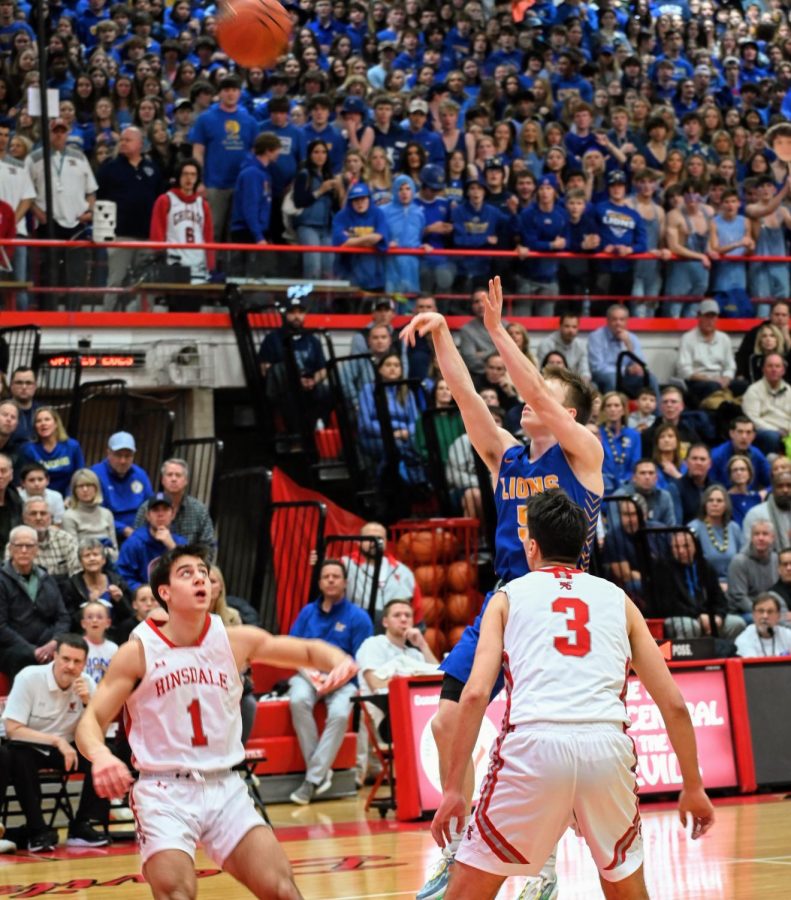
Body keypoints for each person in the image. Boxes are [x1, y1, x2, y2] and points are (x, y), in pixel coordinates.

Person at [401, 276, 603, 900]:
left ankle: (538, 862)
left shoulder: (583, 455)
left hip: (561, 604)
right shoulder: (509, 458)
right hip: (505, 600)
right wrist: (443, 338)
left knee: (537, 744)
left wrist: (495, 332)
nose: (524, 399)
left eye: (540, 396)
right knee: (444, 726)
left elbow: (535, 386)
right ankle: (461, 846)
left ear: (565, 414)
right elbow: (466, 398)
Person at [431, 490, 714, 899]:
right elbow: (673, 704)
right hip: (606, 746)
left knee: (468, 892)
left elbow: (474, 696)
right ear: (584, 548)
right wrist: (693, 786)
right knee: (625, 887)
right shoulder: (619, 600)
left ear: (531, 546)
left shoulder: (506, 598)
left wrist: (455, 789)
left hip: (533, 746)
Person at [75, 544, 359, 898]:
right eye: (186, 573)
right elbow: (91, 721)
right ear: (164, 592)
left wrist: (339, 659)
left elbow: (305, 650)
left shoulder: (234, 640)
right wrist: (101, 756)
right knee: (177, 893)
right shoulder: (139, 651)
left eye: (203, 572)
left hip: (226, 786)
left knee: (283, 890)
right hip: (164, 790)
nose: (200, 578)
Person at [3, 633, 110, 851]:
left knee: (104, 754)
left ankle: (81, 826)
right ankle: (37, 830)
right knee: (19, 756)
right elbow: (13, 730)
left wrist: (89, 704)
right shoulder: (29, 677)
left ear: (84, 663)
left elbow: (99, 733)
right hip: (29, 744)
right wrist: (57, 741)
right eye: (65, 659)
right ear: (54, 657)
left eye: (77, 661)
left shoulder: (87, 684)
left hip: (67, 748)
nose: (70, 666)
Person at [287, 559, 372, 805]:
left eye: (336, 576)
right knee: (298, 699)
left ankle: (312, 779)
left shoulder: (359, 617)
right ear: (320, 583)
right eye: (326, 576)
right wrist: (311, 674)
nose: (331, 580)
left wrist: (335, 679)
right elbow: (292, 648)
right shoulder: (307, 612)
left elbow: (359, 659)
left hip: (344, 679)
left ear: (345, 583)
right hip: (309, 675)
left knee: (339, 714)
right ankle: (319, 773)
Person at [28, 118, 97, 307]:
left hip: (76, 223)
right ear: (48, 133)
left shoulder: (80, 157)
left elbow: (91, 190)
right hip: (49, 224)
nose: (59, 134)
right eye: (55, 131)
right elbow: (26, 192)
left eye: (62, 131)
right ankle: (47, 315)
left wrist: (89, 211)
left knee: (75, 274)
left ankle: (73, 314)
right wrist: (39, 214)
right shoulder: (34, 158)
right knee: (48, 274)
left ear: (68, 133)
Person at [96, 125, 164, 306]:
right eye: (122, 140)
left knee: (145, 283)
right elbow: (98, 198)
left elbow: (160, 200)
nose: (123, 143)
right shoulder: (109, 168)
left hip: (147, 236)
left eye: (128, 140)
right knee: (115, 281)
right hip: (119, 235)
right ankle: (107, 321)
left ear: (140, 144)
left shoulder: (152, 168)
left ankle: (144, 321)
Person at [188, 73, 257, 240]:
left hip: (240, 185)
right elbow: (198, 152)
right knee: (212, 230)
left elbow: (255, 154)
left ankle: (230, 267)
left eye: (234, 90)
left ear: (239, 93)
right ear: (219, 94)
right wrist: (199, 182)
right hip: (213, 185)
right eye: (226, 90)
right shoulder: (205, 119)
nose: (231, 94)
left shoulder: (250, 121)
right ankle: (210, 266)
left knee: (234, 233)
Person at [0, 525, 71, 681]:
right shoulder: (2, 580)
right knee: (21, 657)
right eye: (19, 545)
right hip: (13, 648)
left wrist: (54, 642)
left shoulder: (47, 578)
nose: (24, 550)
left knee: (70, 650)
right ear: (10, 549)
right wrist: (32, 650)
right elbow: (1, 626)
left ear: (36, 549)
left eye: (29, 546)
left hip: (48, 643)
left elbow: (63, 617)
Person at [657, 530, 745, 642]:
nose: (681, 551)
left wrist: (718, 616)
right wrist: (698, 616)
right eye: (676, 547)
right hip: (682, 617)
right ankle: (689, 659)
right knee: (690, 627)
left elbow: (719, 598)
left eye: (686, 546)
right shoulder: (664, 569)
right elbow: (669, 605)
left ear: (695, 546)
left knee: (737, 623)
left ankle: (728, 655)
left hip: (709, 615)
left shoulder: (705, 566)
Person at [149, 157, 215, 283]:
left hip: (198, 265)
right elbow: (157, 233)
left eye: (193, 174)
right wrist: (159, 258)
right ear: (178, 176)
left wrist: (210, 265)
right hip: (174, 263)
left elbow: (208, 236)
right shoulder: (165, 200)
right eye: (185, 174)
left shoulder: (203, 204)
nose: (189, 178)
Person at [342, 521, 419, 622]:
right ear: (359, 542)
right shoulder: (344, 565)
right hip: (356, 630)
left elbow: (417, 610)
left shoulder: (404, 571)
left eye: (379, 539)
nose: (374, 542)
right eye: (369, 538)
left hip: (393, 634)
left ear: (386, 542)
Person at [133, 458, 216, 550]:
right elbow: (136, 540)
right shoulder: (147, 507)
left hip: (189, 562)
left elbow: (209, 546)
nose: (173, 479)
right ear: (162, 480)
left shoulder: (199, 510)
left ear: (186, 481)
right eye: (169, 475)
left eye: (178, 475)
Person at [229, 132, 281, 276]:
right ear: (268, 150)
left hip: (255, 231)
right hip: (247, 233)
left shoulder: (263, 173)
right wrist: (258, 237)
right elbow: (250, 208)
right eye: (277, 149)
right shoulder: (252, 174)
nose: (279, 153)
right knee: (249, 276)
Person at [677, 299, 744, 407]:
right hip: (699, 381)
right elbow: (685, 371)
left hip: (720, 379)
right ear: (699, 316)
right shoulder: (687, 338)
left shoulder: (724, 338)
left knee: (743, 386)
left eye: (713, 317)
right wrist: (710, 379)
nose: (710, 321)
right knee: (713, 387)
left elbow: (730, 366)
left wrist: (726, 378)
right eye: (707, 316)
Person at [61, 538, 133, 636]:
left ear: (103, 560)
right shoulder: (71, 585)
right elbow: (69, 621)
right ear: (80, 562)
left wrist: (121, 601)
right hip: (83, 636)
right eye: (87, 555)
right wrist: (88, 606)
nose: (92, 558)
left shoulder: (117, 581)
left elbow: (130, 616)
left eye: (96, 554)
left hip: (116, 635)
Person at [91, 431, 154, 543]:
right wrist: (124, 530)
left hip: (139, 533)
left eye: (128, 456)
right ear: (108, 453)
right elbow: (95, 512)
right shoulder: (95, 474)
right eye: (118, 455)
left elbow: (150, 505)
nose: (123, 461)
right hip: (106, 534)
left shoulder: (140, 474)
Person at [117, 492, 188, 591]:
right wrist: (145, 591)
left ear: (173, 514)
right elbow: (123, 577)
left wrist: (172, 547)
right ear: (148, 515)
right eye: (155, 510)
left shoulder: (181, 543)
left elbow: (189, 573)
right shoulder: (133, 543)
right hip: (144, 600)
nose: (160, 514)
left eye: (165, 509)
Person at [587, 304, 658, 398]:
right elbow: (597, 367)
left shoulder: (631, 338)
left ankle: (657, 412)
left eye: (622, 319)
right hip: (604, 377)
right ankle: (611, 409)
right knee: (613, 378)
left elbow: (640, 364)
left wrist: (628, 344)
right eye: (614, 319)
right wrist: (625, 370)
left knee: (650, 378)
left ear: (627, 321)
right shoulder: (596, 337)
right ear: (607, 321)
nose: (618, 323)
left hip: (626, 378)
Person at [332, 182, 390, 292]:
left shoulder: (378, 214)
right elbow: (341, 243)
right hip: (347, 274)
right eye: (356, 200)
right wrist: (369, 239)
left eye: (363, 199)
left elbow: (379, 237)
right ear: (350, 201)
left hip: (375, 277)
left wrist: (352, 238)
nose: (360, 203)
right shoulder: (341, 216)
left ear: (369, 199)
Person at [19, 407, 85, 498]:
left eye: (47, 419)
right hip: (38, 496)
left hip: (69, 496)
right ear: (35, 427)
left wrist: (71, 496)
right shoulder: (28, 449)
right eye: (39, 421)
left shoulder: (72, 446)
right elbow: (24, 478)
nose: (43, 423)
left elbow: (80, 475)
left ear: (56, 424)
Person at [688, 486, 744, 590]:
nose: (715, 504)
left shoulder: (734, 527)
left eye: (719, 501)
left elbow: (742, 561)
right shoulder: (694, 528)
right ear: (705, 504)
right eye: (710, 500)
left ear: (726, 505)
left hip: (734, 585)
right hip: (705, 586)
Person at [727, 520, 778, 622]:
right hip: (743, 612)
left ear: (772, 538)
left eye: (765, 534)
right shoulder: (739, 561)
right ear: (751, 537)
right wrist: (762, 613)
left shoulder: (776, 559)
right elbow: (739, 597)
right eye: (756, 534)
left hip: (770, 609)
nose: (760, 538)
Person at [61, 468, 119, 559]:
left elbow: (115, 552)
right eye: (80, 486)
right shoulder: (69, 516)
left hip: (107, 564)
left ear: (96, 488)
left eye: (89, 485)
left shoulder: (107, 514)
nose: (85, 489)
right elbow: (72, 554)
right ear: (74, 490)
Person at [18, 496, 80, 578]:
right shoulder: (16, 543)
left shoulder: (65, 539)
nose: (38, 518)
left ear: (51, 517)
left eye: (43, 513)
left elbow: (77, 572)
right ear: (24, 518)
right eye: (33, 514)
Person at [742, 353, 791, 456]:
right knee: (771, 436)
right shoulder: (753, 391)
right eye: (770, 366)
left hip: (787, 431)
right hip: (765, 432)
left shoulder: (789, 390)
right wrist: (776, 431)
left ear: (783, 371)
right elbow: (752, 419)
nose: (774, 369)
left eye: (777, 366)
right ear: (763, 369)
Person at [710, 416, 771, 492]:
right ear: (731, 433)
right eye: (740, 432)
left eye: (748, 432)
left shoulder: (756, 454)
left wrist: (765, 492)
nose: (744, 436)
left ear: (753, 436)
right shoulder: (716, 456)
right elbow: (708, 487)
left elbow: (774, 482)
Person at [599, 391, 642, 494]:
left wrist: (624, 483)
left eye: (616, 405)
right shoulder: (597, 433)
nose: (613, 409)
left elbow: (635, 464)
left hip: (627, 487)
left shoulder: (633, 435)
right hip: (602, 486)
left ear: (623, 410)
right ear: (604, 410)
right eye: (608, 406)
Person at [741, 471, 791, 552]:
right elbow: (747, 550)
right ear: (773, 489)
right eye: (780, 486)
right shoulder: (755, 514)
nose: (785, 490)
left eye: (789, 486)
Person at [537, 312, 591, 382]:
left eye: (574, 327)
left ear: (578, 328)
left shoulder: (581, 345)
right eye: (567, 326)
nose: (570, 330)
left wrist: (582, 384)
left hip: (574, 383)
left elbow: (585, 371)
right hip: (550, 381)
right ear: (560, 326)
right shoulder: (546, 344)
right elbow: (541, 371)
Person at [457, 288, 499, 376]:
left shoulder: (505, 326)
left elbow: (512, 357)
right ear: (472, 306)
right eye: (476, 302)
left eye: (485, 300)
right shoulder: (466, 330)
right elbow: (470, 361)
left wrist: (481, 354)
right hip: (479, 377)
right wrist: (497, 350)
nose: (481, 305)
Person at [735, 593, 791, 658]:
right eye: (760, 611)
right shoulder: (743, 639)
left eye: (770, 612)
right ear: (753, 615)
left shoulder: (787, 635)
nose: (765, 616)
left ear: (778, 616)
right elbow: (753, 666)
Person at [80, 600, 119, 684]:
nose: (94, 620)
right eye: (90, 617)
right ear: (83, 623)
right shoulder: (77, 646)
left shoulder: (114, 648)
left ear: (108, 623)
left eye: (99, 617)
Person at [677, 444, 714, 525]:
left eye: (702, 459)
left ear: (710, 464)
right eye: (694, 459)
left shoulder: (716, 489)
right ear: (686, 462)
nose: (698, 462)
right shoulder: (676, 488)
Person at [8, 367, 39, 441]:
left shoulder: (44, 410)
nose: (24, 387)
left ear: (35, 387)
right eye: (19, 382)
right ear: (11, 386)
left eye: (28, 383)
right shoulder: (2, 410)